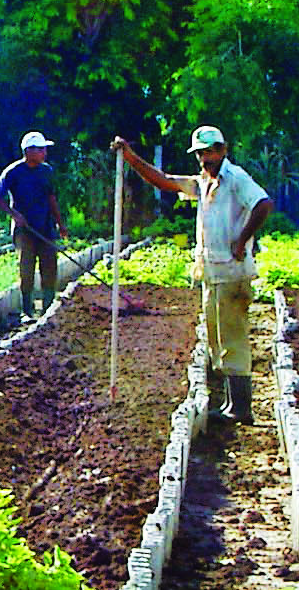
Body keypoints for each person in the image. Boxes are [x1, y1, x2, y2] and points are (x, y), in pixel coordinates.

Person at [112, 125, 273, 423]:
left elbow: (263, 204)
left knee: (233, 339)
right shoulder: (203, 183)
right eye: (200, 153)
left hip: (232, 272)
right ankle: (230, 404)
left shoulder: (235, 178)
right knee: (217, 339)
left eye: (210, 152)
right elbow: (164, 182)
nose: (205, 158)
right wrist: (131, 158)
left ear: (223, 150)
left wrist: (242, 240)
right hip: (213, 272)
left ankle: (241, 407)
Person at [0, 132, 65, 315]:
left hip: (46, 227)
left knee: (49, 267)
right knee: (26, 269)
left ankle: (47, 307)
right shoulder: (13, 172)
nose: (45, 153)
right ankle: (27, 310)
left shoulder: (47, 171)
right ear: (29, 151)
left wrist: (60, 224)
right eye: (41, 149)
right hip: (25, 230)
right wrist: (15, 215)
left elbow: (51, 198)